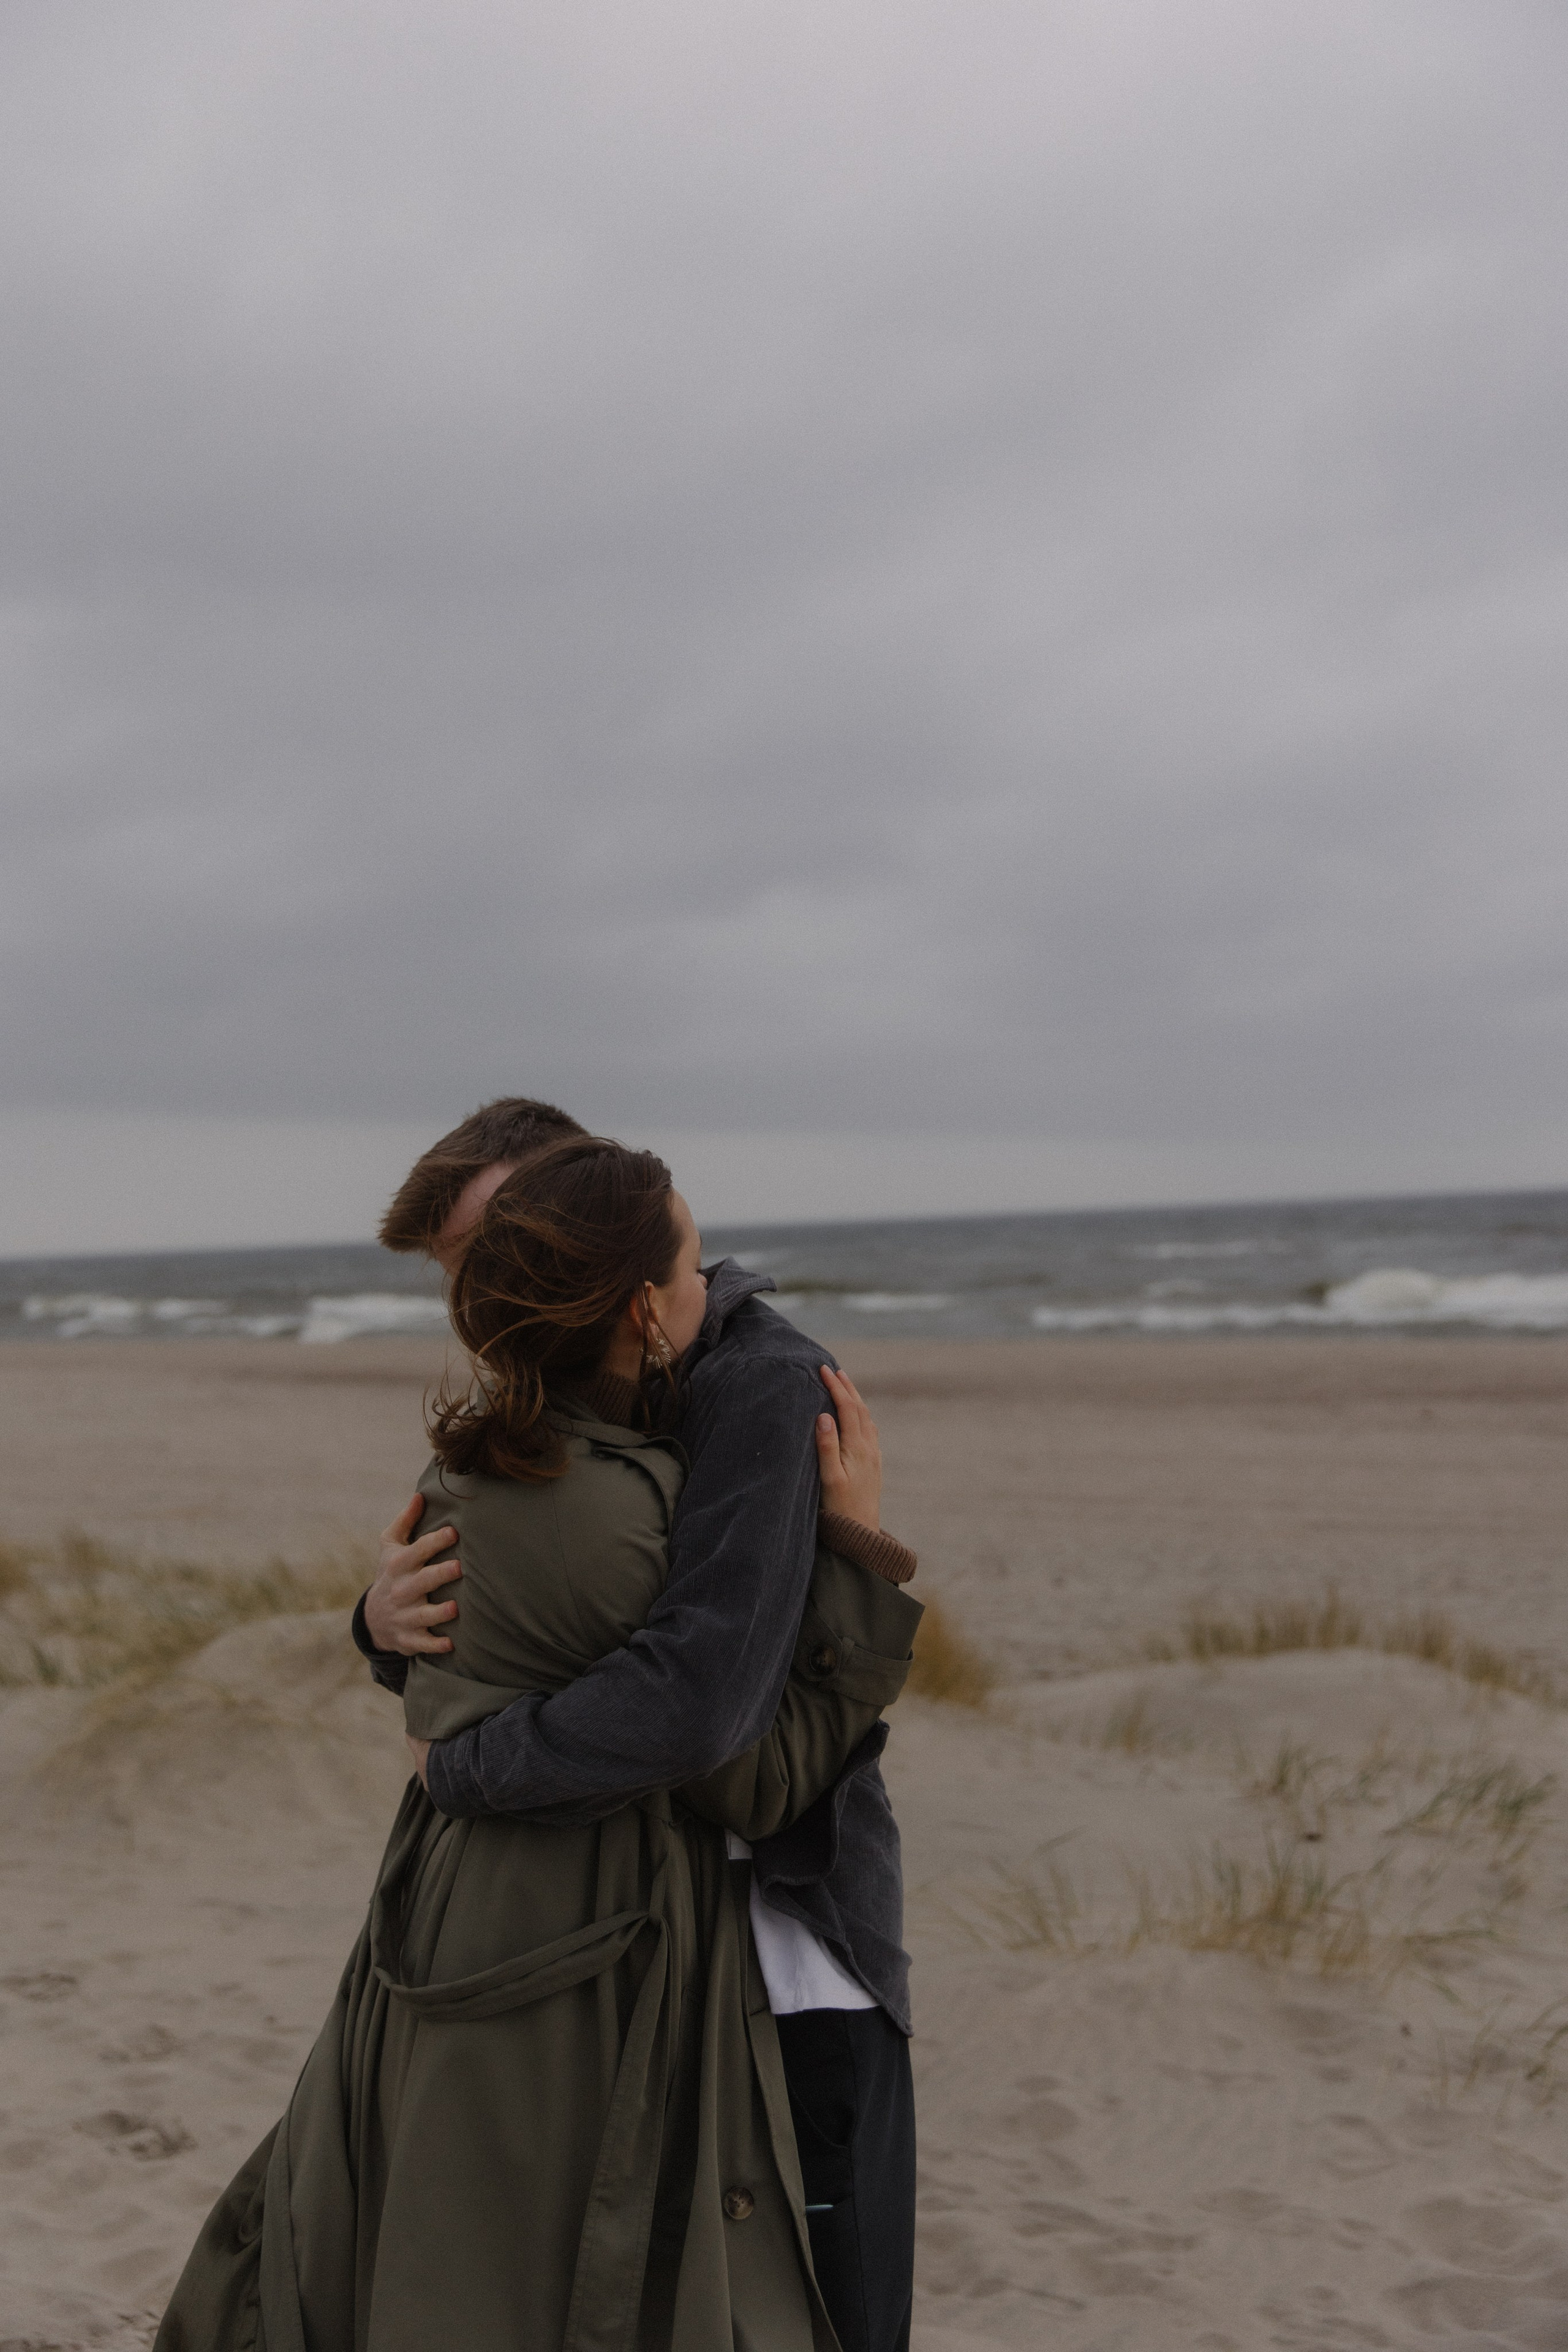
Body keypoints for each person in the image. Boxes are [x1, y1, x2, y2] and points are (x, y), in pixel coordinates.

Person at [156, 1136, 922, 2351]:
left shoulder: (749, 1392)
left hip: (785, 1934)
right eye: (465, 1275)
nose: (481, 1302)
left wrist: (458, 1756)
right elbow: (546, 1654)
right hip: (615, 1929)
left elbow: (697, 1716)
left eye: (493, 1255)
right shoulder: (564, 1441)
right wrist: (378, 1630)